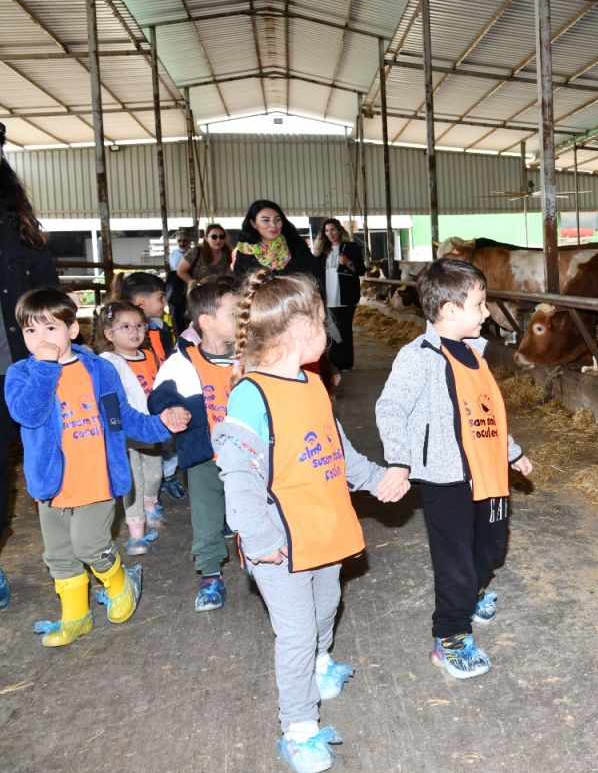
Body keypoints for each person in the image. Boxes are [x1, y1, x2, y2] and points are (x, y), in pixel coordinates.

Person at [212, 270, 408, 773]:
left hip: (323, 527)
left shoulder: (314, 383)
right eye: (324, 321)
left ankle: (321, 667)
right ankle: (298, 727)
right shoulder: (251, 395)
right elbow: (237, 472)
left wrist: (377, 479)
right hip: (280, 540)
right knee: (296, 633)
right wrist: (257, 538)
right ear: (301, 328)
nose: (329, 332)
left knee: (328, 604)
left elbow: (335, 450)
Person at [376, 259, 533, 680]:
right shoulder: (418, 358)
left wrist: (512, 453)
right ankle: (450, 636)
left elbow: (488, 415)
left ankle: (475, 592)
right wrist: (400, 460)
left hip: (489, 474)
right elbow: (390, 408)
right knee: (455, 560)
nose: (485, 313)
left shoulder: (475, 354)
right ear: (447, 311)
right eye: (479, 305)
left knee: (490, 548)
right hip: (445, 479)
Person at [4, 288, 189, 646]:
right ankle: (76, 616)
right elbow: (28, 413)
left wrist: (162, 424)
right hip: (51, 484)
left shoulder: (99, 369)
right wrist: (44, 367)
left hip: (96, 480)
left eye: (50, 329)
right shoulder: (21, 375)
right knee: (58, 554)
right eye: (30, 331)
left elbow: (123, 419)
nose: (40, 339)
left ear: (73, 329)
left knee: (90, 545)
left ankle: (120, 583)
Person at [149, 277, 239, 612]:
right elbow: (161, 394)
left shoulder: (248, 357)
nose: (243, 317)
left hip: (247, 454)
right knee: (205, 516)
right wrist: (170, 410)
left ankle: (260, 562)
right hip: (203, 455)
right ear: (206, 322)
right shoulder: (182, 362)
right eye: (234, 312)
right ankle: (211, 574)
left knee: (254, 508)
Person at [0, 121, 59, 610]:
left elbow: (48, 295)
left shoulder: (20, 227)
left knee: (4, 467)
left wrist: (58, 351)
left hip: (12, 369)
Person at [95, 300, 164, 555]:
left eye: (139, 325)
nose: (134, 331)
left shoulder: (151, 356)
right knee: (134, 481)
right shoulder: (108, 361)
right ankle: (137, 535)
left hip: (150, 426)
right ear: (109, 334)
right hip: (124, 430)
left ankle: (151, 503)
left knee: (155, 474)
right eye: (125, 326)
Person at [119, 271, 186, 503]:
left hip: (158, 391)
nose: (164, 303)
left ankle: (166, 478)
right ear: (141, 302)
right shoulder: (127, 334)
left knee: (167, 438)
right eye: (160, 297)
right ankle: (142, 495)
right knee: (139, 446)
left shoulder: (159, 329)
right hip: (136, 397)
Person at [232, 200, 323, 291]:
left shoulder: (296, 246)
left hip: (297, 302)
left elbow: (315, 279)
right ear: (253, 223)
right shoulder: (245, 252)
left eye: (277, 219)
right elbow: (242, 286)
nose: (273, 225)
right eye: (266, 220)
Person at [313, 219, 365, 372]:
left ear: (340, 230)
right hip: (327, 298)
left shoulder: (351, 248)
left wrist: (348, 262)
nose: (330, 233)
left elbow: (361, 270)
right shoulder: (322, 252)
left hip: (346, 297)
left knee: (345, 330)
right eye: (327, 231)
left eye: (333, 230)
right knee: (330, 332)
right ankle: (333, 363)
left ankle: (346, 364)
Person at [166, 228, 193, 332]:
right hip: (177, 286)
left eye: (185, 240)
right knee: (177, 310)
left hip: (189, 282)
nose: (182, 243)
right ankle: (181, 333)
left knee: (192, 308)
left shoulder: (194, 252)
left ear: (189, 241)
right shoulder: (173, 254)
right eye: (179, 240)